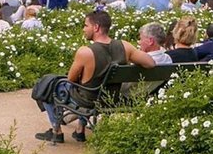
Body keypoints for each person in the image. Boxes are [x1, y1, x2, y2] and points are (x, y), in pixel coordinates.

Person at [34, 10, 154, 143]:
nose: (83, 29)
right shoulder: (125, 46)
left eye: (86, 25)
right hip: (110, 98)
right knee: (88, 85)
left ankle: (57, 132)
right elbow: (150, 63)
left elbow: (71, 79)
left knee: (48, 85)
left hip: (88, 100)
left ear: (96, 27)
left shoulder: (85, 52)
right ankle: (80, 130)